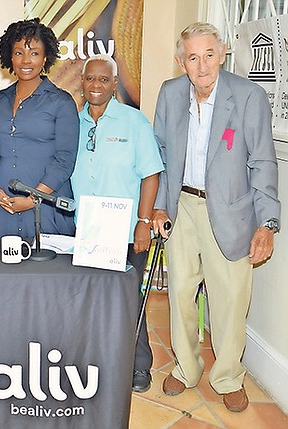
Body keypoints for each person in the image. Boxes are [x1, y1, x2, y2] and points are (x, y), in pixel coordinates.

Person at [152, 22, 280, 412]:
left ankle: (227, 375)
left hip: (231, 210)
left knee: (230, 299)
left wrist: (267, 222)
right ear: (181, 61)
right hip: (182, 209)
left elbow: (262, 162)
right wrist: (159, 203)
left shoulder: (248, 96)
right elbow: (159, 153)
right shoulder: (170, 94)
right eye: (193, 57)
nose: (202, 65)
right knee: (180, 295)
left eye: (209, 54)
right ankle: (186, 367)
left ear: (222, 53)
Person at [70, 54, 164, 393]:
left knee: (129, 301)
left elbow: (151, 174)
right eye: (90, 79)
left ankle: (139, 367)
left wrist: (143, 221)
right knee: (90, 300)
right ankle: (96, 362)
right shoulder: (72, 123)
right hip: (85, 231)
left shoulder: (133, 122)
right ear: (82, 83)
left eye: (103, 80)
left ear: (114, 84)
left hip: (125, 231)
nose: (96, 85)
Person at [0, 18, 79, 240]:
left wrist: (33, 199)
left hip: (46, 208)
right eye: (19, 53)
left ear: (45, 58)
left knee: (47, 273)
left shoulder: (61, 102)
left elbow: (65, 160)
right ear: (10, 56)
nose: (26, 60)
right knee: (1, 271)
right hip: (2, 207)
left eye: (34, 53)